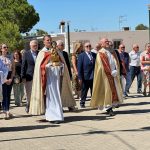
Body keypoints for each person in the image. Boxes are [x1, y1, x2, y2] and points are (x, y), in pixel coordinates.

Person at [29, 35, 76, 123]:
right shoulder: (42, 53)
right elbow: (40, 67)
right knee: (50, 97)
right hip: (47, 80)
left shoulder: (57, 51)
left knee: (56, 96)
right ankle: (52, 116)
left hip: (57, 78)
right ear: (43, 42)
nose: (49, 41)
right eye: (47, 40)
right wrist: (48, 66)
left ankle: (57, 115)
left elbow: (63, 64)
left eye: (50, 40)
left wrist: (61, 66)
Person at [90, 38, 123, 116]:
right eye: (106, 41)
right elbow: (102, 65)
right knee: (106, 91)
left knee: (113, 90)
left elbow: (116, 62)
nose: (107, 42)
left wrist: (116, 70)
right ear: (101, 44)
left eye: (108, 41)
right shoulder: (100, 53)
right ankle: (108, 108)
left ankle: (112, 105)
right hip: (105, 75)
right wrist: (110, 72)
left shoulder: (112, 51)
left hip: (113, 74)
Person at [56, 40, 76, 111]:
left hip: (66, 74)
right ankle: (60, 107)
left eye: (63, 44)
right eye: (61, 45)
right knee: (59, 91)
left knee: (68, 91)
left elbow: (67, 64)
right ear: (57, 46)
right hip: (58, 75)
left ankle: (69, 105)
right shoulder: (55, 53)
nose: (63, 46)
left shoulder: (65, 53)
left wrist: (70, 75)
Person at [21, 40, 39, 113]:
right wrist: (23, 77)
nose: (35, 47)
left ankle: (36, 107)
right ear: (30, 46)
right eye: (34, 45)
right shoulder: (26, 54)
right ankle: (28, 105)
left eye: (36, 45)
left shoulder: (39, 53)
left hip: (38, 76)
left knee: (37, 92)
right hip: (29, 76)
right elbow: (23, 65)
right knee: (29, 93)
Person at [78, 42, 96, 108]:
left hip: (93, 76)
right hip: (85, 77)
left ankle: (94, 103)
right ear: (84, 48)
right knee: (84, 91)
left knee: (93, 90)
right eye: (87, 46)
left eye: (89, 46)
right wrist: (80, 78)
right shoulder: (81, 56)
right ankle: (82, 102)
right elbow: (79, 67)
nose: (88, 47)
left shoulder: (94, 55)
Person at [0, 43, 15, 119]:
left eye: (7, 47)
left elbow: (13, 69)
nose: (6, 48)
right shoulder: (0, 58)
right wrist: (4, 79)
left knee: (8, 95)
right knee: (4, 95)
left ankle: (7, 110)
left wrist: (11, 78)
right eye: (4, 47)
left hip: (10, 77)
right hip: (2, 78)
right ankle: (5, 111)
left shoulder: (10, 57)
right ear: (1, 49)